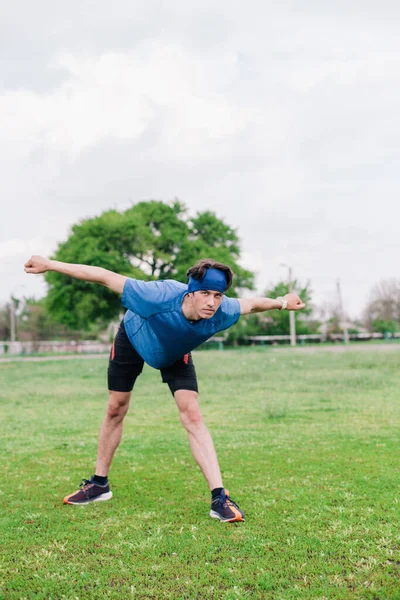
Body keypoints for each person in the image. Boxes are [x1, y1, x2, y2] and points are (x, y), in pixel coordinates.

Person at [24, 255, 305, 522]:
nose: (212, 302)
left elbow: (254, 304)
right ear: (191, 292)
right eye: (206, 293)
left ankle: (220, 499)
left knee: (192, 415)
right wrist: (50, 264)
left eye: (218, 295)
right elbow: (103, 277)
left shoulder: (224, 311)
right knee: (115, 408)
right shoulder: (156, 296)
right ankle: (99, 485)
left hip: (174, 352)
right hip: (134, 338)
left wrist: (282, 302)